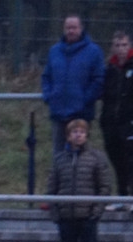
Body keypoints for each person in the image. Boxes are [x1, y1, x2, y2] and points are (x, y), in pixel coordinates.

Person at [46, 119, 110, 242]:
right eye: (75, 132)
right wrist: (57, 214)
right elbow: (52, 189)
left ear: (86, 135)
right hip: (66, 219)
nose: (78, 135)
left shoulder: (96, 158)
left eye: (82, 131)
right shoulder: (59, 159)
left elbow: (104, 188)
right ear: (68, 135)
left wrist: (95, 213)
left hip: (87, 219)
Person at [41, 14, 105, 157]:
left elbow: (98, 80)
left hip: (81, 114)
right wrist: (49, 96)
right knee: (59, 155)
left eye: (74, 28)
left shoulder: (94, 52)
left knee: (82, 157)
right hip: (58, 112)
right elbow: (46, 76)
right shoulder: (54, 51)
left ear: (81, 28)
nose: (71, 31)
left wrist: (84, 100)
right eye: (68, 28)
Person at [99, 30, 133, 208]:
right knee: (117, 160)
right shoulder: (109, 69)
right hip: (111, 123)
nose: (121, 49)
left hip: (129, 123)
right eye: (117, 45)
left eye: (124, 45)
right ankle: (122, 196)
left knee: (130, 160)